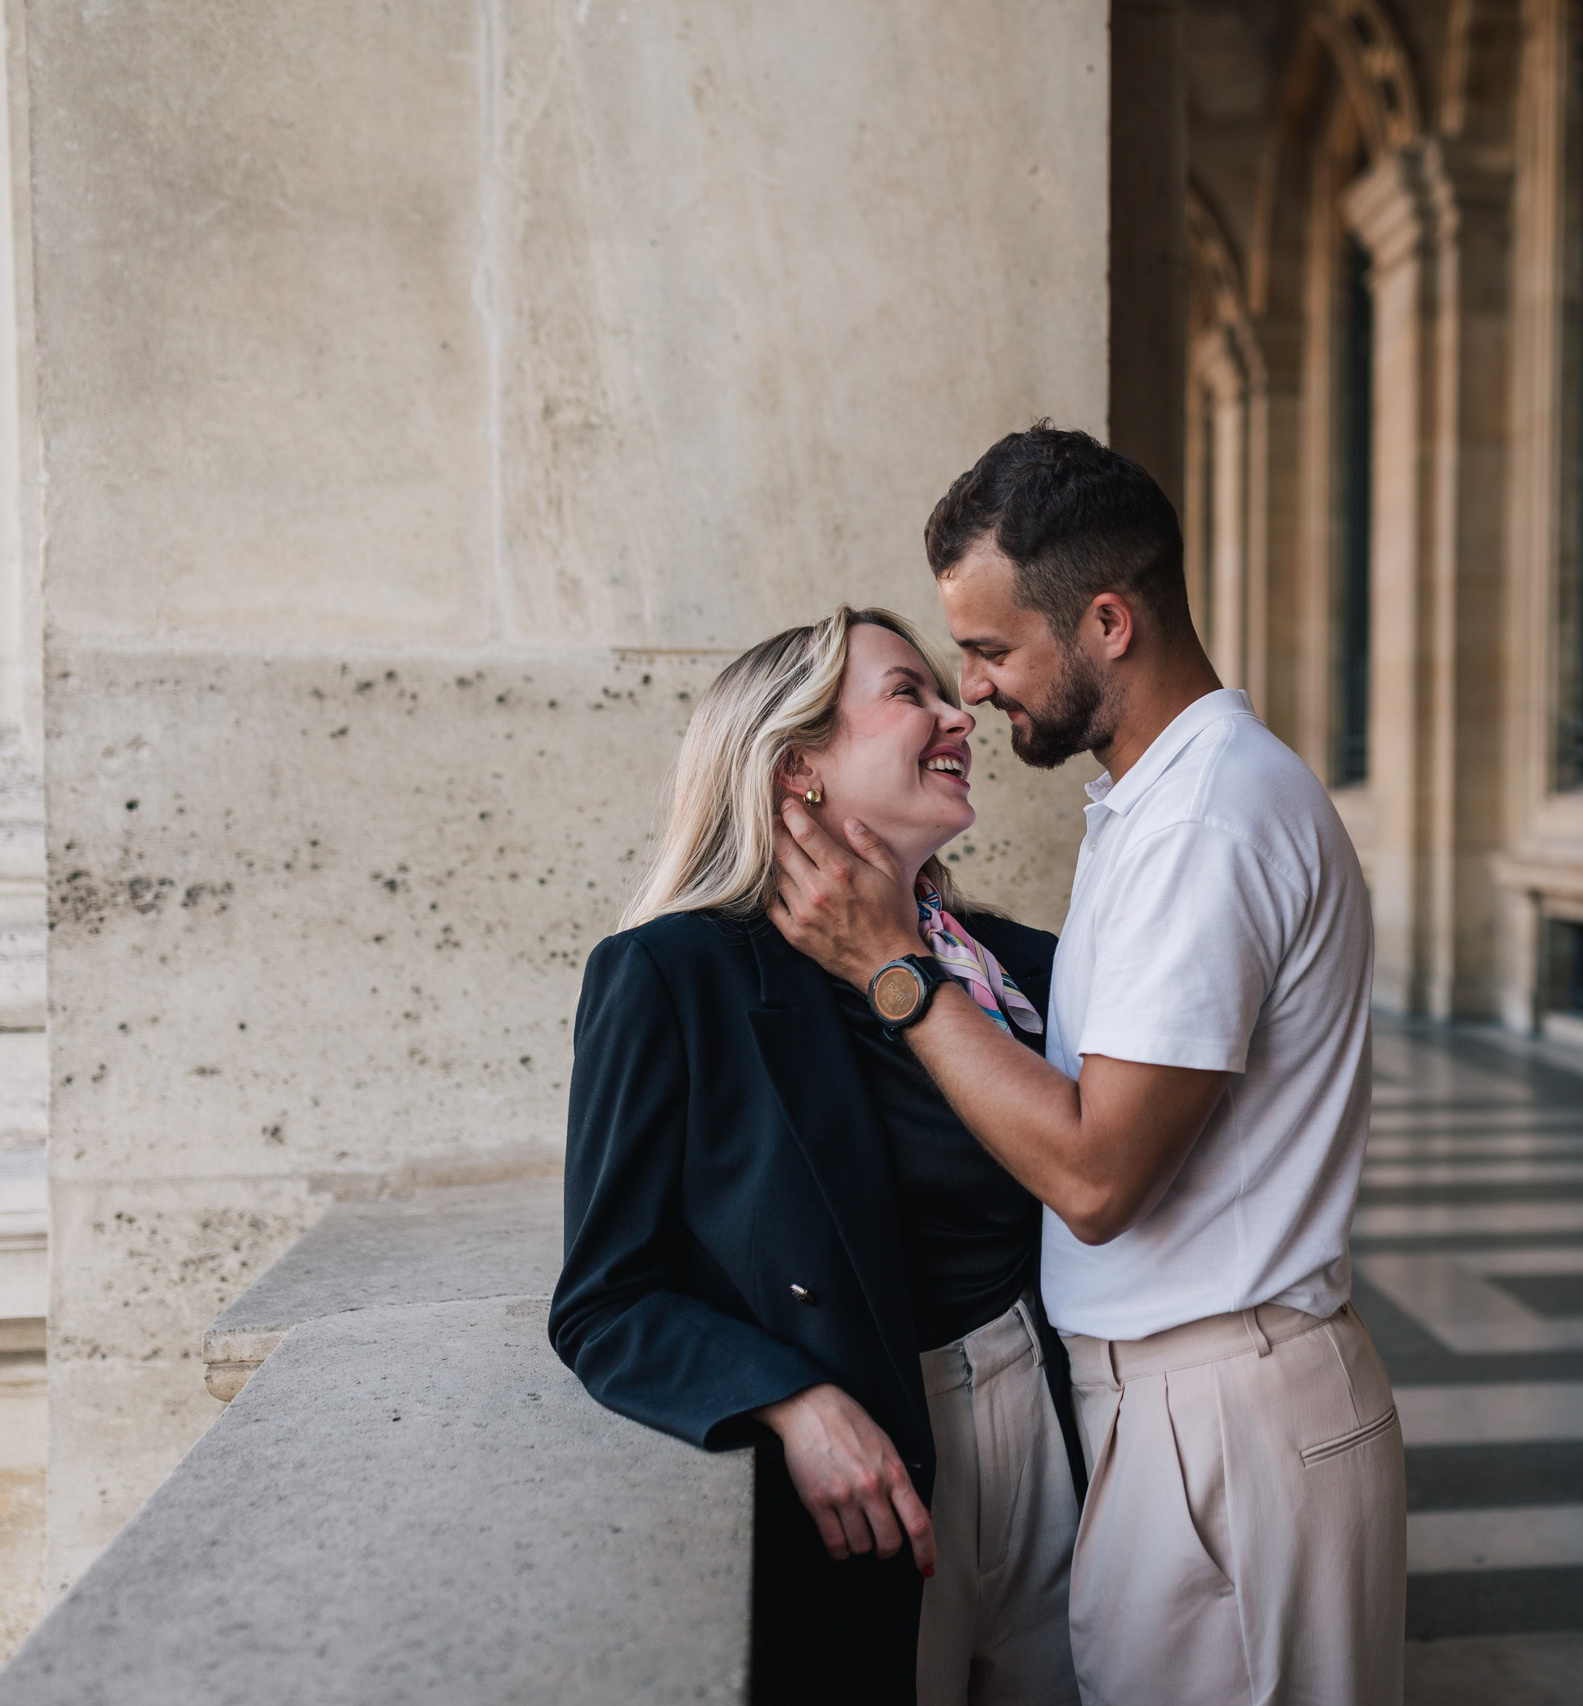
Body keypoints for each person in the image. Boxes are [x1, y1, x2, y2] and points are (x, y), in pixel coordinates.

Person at [768, 426, 1403, 1706]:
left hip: (1225, 1416)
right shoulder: (1156, 803)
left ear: (1107, 620)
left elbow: (1098, 1173)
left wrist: (898, 969)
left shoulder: (1205, 822)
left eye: (994, 649)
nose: (972, 689)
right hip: (1180, 1404)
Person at [550, 606, 1084, 1706]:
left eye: (949, 686)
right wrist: (791, 1397)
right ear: (797, 766)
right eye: (910, 692)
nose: (958, 709)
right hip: (884, 1477)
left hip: (1063, 1434)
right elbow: (605, 1299)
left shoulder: (1027, 964)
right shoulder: (670, 977)